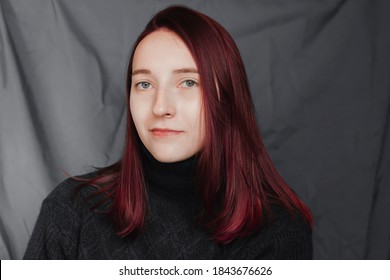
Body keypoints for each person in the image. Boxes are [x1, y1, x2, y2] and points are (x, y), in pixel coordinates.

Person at [24, 5, 313, 260]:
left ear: (226, 97)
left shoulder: (278, 230)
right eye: (144, 85)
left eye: (188, 83)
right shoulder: (70, 210)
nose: (161, 107)